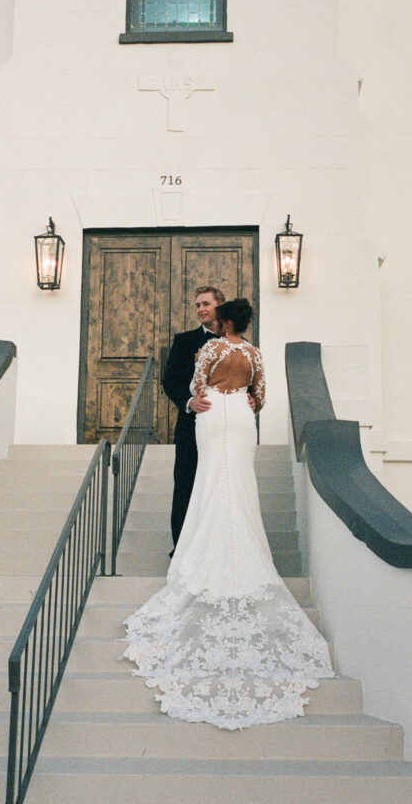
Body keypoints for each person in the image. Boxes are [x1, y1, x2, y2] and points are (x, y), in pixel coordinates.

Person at [123, 298, 334, 730]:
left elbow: (197, 388)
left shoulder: (210, 350)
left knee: (209, 482)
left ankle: (200, 551)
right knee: (239, 482)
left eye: (217, 314)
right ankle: (246, 553)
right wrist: (241, 399)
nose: (212, 318)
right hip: (239, 415)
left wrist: (205, 399)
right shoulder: (254, 353)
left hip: (213, 412)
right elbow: (260, 396)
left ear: (226, 320)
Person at [162, 285, 225, 553]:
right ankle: (181, 548)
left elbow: (247, 383)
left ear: (219, 307)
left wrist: (249, 400)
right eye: (197, 305)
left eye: (206, 304)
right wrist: (189, 402)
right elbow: (170, 381)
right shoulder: (184, 341)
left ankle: (217, 546)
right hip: (190, 427)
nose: (200, 309)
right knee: (186, 484)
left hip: (224, 427)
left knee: (220, 485)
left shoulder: (240, 344)